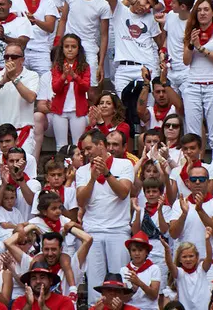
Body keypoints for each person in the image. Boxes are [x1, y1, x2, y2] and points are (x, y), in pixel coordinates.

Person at [77, 129, 134, 304]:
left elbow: (124, 193)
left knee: (121, 284)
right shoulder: (82, 171)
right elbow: (81, 201)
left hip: (118, 231)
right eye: (84, 150)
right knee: (95, 285)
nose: (86, 153)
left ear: (101, 145)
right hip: (92, 232)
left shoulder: (124, 165)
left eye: (88, 148)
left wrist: (107, 173)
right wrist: (93, 179)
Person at [182, 0, 213, 153]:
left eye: (206, 9)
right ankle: (195, 170)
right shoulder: (191, 30)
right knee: (193, 134)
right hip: (193, 84)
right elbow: (186, 61)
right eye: (199, 10)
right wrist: (190, 44)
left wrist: (200, 48)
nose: (202, 13)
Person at [0, 43, 39, 157]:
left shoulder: (32, 75)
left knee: (22, 170)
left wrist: (14, 78)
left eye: (14, 57)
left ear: (22, 60)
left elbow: (31, 97)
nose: (10, 59)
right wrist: (2, 82)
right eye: (6, 57)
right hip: (0, 135)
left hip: (21, 133)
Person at [10, 261, 75, 310]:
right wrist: (28, 305)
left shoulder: (64, 301)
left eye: (42, 277)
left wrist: (43, 307)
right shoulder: (19, 301)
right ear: (29, 282)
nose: (38, 281)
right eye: (34, 278)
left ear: (50, 281)